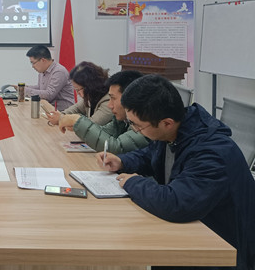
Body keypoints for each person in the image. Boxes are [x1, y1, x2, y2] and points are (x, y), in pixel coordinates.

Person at [99, 75, 255, 270]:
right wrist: (122, 162)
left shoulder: (212, 153)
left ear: (167, 123)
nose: (135, 130)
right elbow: (151, 155)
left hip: (221, 251)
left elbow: (176, 203)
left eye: (137, 125)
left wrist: (133, 183)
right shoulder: (174, 132)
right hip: (194, 232)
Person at [54, 70, 150, 153]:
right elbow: (103, 132)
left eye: (113, 98)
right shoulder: (122, 120)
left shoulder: (145, 123)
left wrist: (77, 121)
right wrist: (77, 125)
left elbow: (116, 147)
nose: (109, 105)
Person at [45, 61, 112, 126]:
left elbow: (91, 126)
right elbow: (77, 108)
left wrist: (63, 119)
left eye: (78, 90)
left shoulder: (109, 101)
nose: (77, 94)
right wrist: (61, 115)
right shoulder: (91, 96)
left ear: (89, 86)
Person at [23, 45, 74, 110]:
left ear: (43, 60)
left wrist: (26, 90)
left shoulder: (59, 71)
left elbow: (49, 95)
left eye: (33, 63)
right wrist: (24, 87)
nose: (32, 66)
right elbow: (40, 88)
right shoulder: (42, 71)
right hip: (48, 108)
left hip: (63, 111)